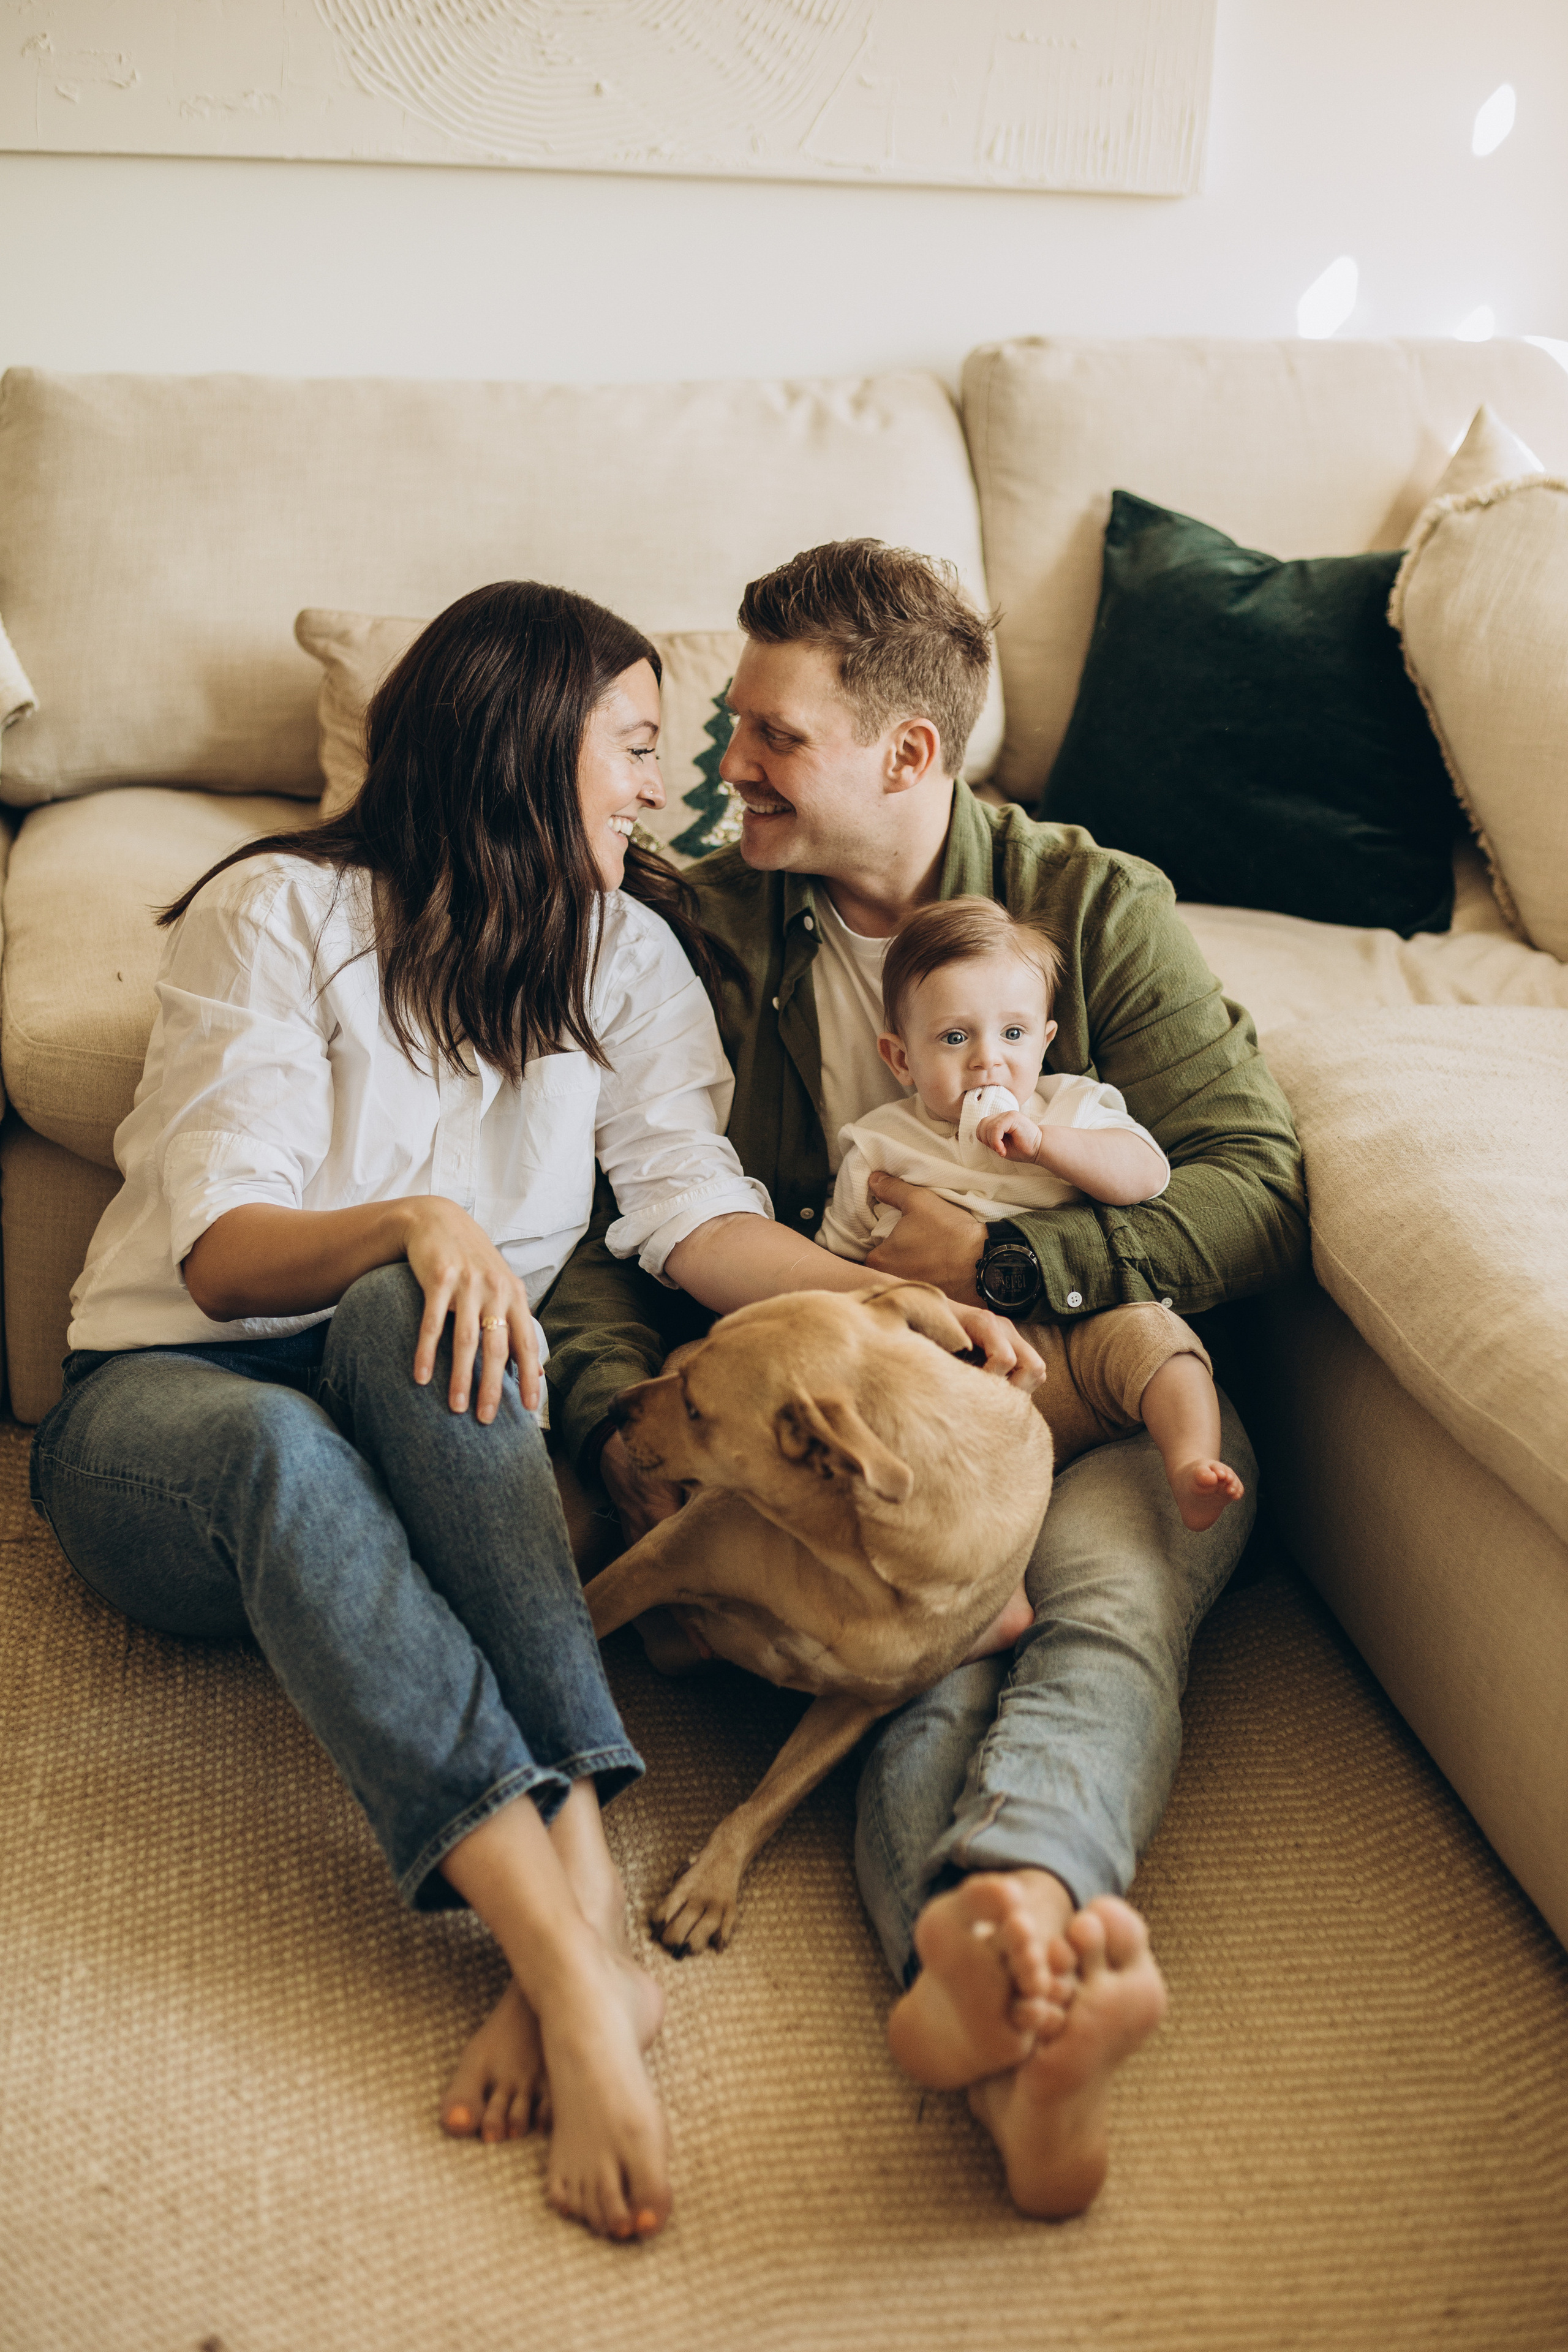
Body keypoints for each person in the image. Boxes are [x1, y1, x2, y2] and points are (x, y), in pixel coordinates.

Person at [28, 579, 1031, 2244]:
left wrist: (887, 1307)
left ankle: (578, 1916)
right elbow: (213, 1260)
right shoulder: (273, 914)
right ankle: (577, 1960)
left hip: (414, 1399)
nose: (658, 788)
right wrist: (418, 1220)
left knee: (428, 1309)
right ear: (515, 745)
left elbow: (686, 1210)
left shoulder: (627, 954)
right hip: (167, 1422)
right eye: (634, 747)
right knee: (361, 1344)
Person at [541, 540, 1309, 2219]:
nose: (721, 768)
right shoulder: (697, 916)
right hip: (843, 1439)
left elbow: (1252, 1184)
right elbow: (604, 1221)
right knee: (912, 1670)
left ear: (908, 758)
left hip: (1087, 1390)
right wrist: (618, 1419)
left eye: (769, 736)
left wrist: (1009, 1274)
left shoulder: (1090, 906)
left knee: (1105, 1607)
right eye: (727, 726)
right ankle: (1012, 1999)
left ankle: (1009, 1927)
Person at [820, 894, 1246, 1533]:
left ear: (1045, 1041)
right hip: (961, 1363)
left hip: (1087, 1337)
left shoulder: (1069, 1106)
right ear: (900, 1058)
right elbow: (834, 1266)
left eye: (1013, 1034)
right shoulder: (880, 1148)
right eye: (954, 1037)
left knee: (1161, 1341)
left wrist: (1049, 1146)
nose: (987, 1059)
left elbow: (1147, 1176)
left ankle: (1190, 1463)